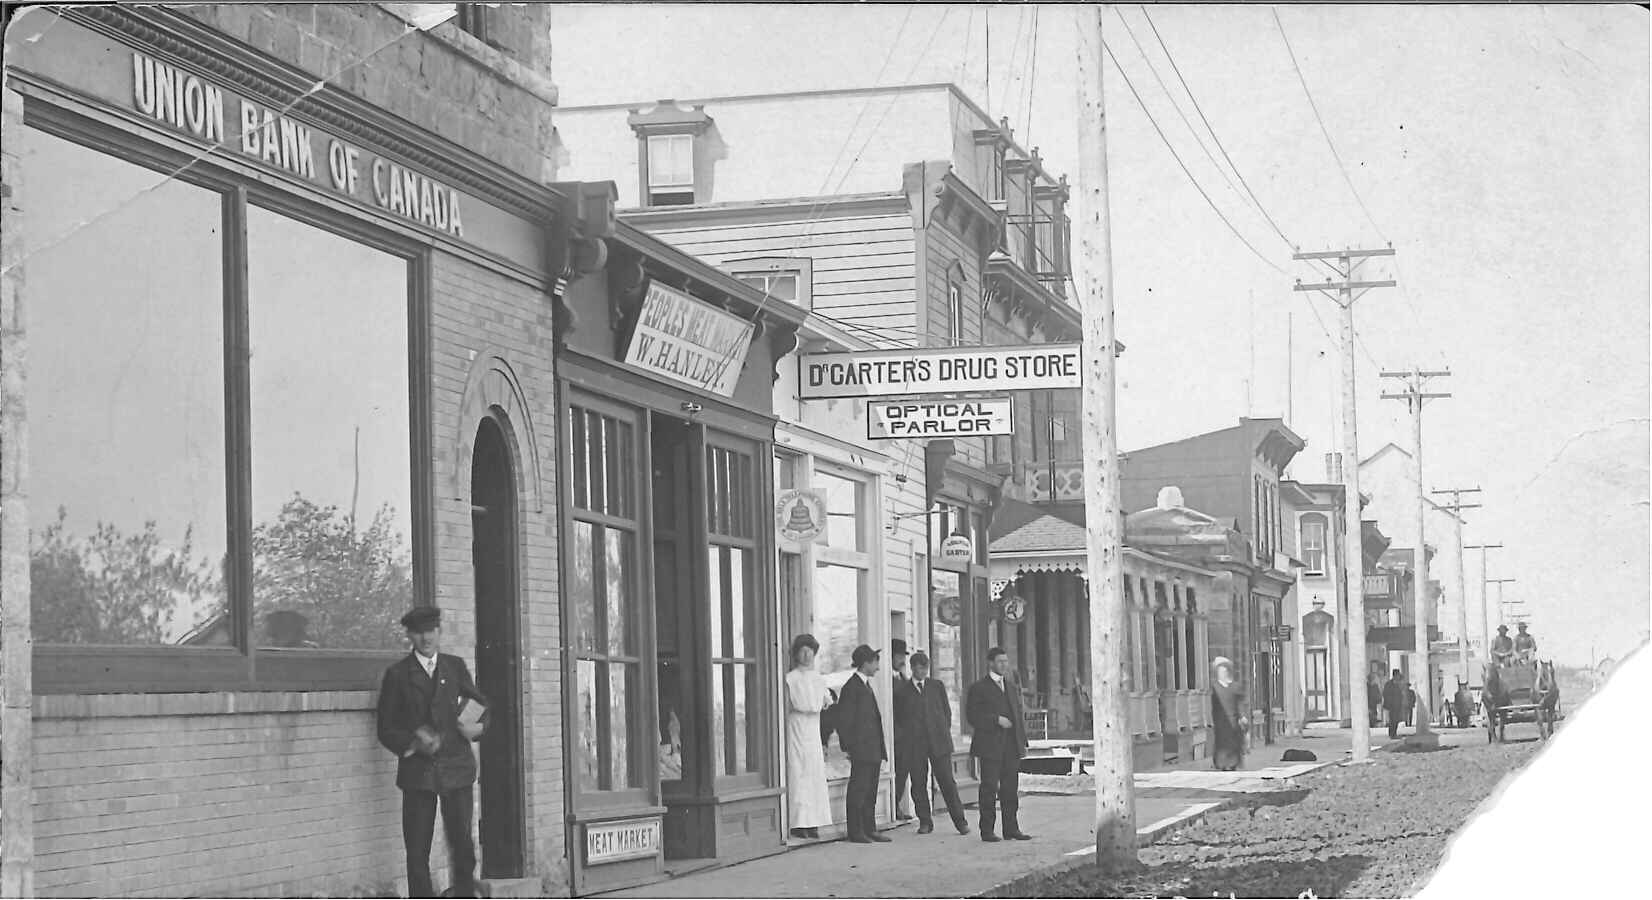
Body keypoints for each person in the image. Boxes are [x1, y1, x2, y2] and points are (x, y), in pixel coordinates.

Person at [376, 606, 488, 899]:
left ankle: (465, 893)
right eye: (418, 632)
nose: (425, 638)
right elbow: (386, 728)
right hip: (419, 773)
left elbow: (480, 706)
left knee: (462, 844)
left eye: (431, 630)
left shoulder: (455, 667)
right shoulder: (397, 675)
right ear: (410, 635)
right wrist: (413, 742)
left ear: (439, 632)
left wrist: (478, 726)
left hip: (457, 768)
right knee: (417, 848)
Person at [895, 652, 970, 835]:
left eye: (925, 668)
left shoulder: (936, 686)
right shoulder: (903, 692)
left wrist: (942, 730)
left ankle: (960, 822)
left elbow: (946, 712)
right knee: (918, 784)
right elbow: (900, 719)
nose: (922, 672)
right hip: (915, 745)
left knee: (947, 782)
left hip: (939, 743)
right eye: (919, 668)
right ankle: (925, 822)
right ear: (912, 668)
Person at [965, 647, 1032, 843]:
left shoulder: (1011, 687)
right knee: (989, 788)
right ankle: (987, 830)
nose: (1004, 665)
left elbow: (1017, 716)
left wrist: (1022, 743)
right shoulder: (979, 688)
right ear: (991, 663)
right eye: (1000, 661)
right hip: (990, 746)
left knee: (1010, 789)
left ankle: (1011, 828)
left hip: (1011, 746)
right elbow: (972, 716)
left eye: (1006, 661)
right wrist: (995, 720)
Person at [835, 644, 890, 843]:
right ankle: (856, 831)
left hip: (873, 749)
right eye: (875, 662)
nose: (878, 667)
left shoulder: (865, 685)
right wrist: (849, 747)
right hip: (862, 749)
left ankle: (869, 828)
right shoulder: (852, 687)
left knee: (871, 790)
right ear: (865, 663)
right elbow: (844, 721)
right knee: (859, 790)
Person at [783, 634, 834, 840]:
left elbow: (827, 701)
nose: (806, 655)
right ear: (796, 654)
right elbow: (787, 704)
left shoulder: (819, 679)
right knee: (798, 772)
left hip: (813, 728)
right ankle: (798, 823)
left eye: (809, 651)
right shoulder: (790, 678)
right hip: (796, 725)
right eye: (802, 650)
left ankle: (813, 822)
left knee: (813, 774)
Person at [889, 638, 914, 822]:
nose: (901, 660)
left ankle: (896, 805)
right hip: (895, 734)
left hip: (907, 735)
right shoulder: (888, 680)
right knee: (896, 771)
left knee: (903, 772)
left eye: (902, 656)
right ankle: (892, 807)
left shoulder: (902, 678)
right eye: (898, 656)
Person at [1209, 657, 1248, 772]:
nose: (1222, 673)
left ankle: (1232, 763)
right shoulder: (1214, 688)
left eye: (1224, 671)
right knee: (1222, 743)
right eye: (1220, 671)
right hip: (1220, 721)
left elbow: (1240, 704)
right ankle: (1222, 764)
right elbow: (1212, 706)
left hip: (1233, 720)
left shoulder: (1235, 687)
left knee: (1233, 743)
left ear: (1228, 672)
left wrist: (1242, 716)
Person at [1382, 669, 1407, 739]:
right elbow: (1385, 694)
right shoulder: (1388, 684)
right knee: (1392, 720)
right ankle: (1391, 734)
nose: (1398, 677)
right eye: (1397, 675)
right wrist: (1388, 703)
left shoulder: (1398, 684)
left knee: (1396, 720)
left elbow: (1400, 694)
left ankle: (1394, 733)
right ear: (1395, 675)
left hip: (1397, 706)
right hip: (1391, 706)